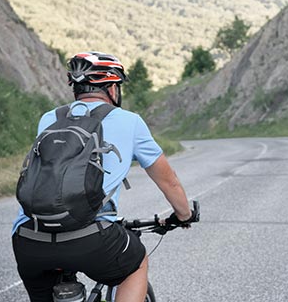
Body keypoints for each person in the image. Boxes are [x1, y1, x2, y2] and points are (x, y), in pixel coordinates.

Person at [11, 51, 194, 302]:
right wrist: (184, 215)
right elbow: (168, 180)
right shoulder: (130, 122)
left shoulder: (49, 119)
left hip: (28, 239)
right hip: (91, 238)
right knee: (136, 263)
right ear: (110, 87)